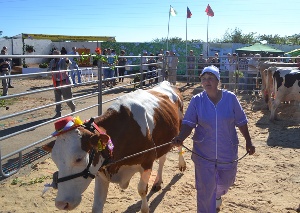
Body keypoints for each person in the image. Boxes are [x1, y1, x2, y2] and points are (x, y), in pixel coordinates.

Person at [172, 65, 255, 212]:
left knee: (226, 181)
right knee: (205, 189)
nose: (207, 81)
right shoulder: (197, 100)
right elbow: (188, 123)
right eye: (204, 79)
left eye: (210, 78)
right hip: (203, 151)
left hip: (227, 149)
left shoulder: (231, 98)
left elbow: (241, 121)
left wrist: (248, 141)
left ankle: (217, 194)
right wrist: (180, 137)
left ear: (218, 81)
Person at [48, 50, 76, 118]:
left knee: (67, 98)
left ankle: (73, 107)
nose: (55, 57)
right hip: (56, 82)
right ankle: (58, 113)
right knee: (57, 99)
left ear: (60, 55)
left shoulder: (63, 60)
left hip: (64, 81)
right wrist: (51, 70)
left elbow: (69, 64)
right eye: (54, 55)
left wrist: (67, 60)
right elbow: (48, 70)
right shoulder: (52, 62)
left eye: (56, 55)